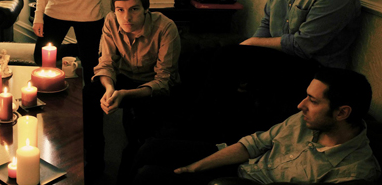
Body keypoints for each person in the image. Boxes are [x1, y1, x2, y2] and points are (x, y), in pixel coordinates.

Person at [203, 0, 362, 141]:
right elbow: (267, 23)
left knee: (226, 60)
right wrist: (248, 54)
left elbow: (303, 46)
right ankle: (209, 135)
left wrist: (249, 46)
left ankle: (212, 139)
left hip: (316, 72)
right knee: (207, 59)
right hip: (282, 60)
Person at [132, 68, 381, 184]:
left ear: (342, 112)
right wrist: (196, 166)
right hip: (240, 164)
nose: (300, 105)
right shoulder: (307, 121)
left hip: (246, 183)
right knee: (150, 148)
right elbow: (253, 144)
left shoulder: (354, 173)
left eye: (313, 101)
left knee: (150, 177)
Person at [84, 0, 181, 181]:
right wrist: (110, 88)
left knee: (139, 131)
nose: (126, 17)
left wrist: (127, 96)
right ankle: (93, 163)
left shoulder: (166, 28)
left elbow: (164, 81)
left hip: (151, 84)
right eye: (120, 10)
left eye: (134, 9)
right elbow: (106, 63)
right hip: (122, 77)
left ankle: (128, 174)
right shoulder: (111, 20)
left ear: (146, 8)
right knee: (89, 96)